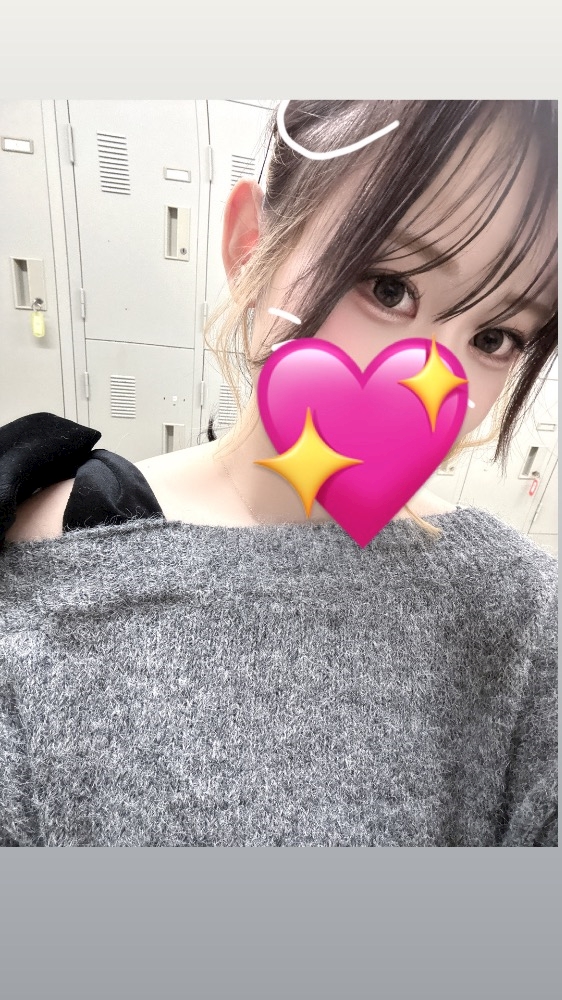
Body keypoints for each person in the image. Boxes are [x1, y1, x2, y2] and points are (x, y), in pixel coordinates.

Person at [0, 100, 557, 847]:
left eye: (495, 336)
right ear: (250, 245)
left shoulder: (521, 613)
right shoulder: (39, 583)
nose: (435, 379)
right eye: (389, 287)